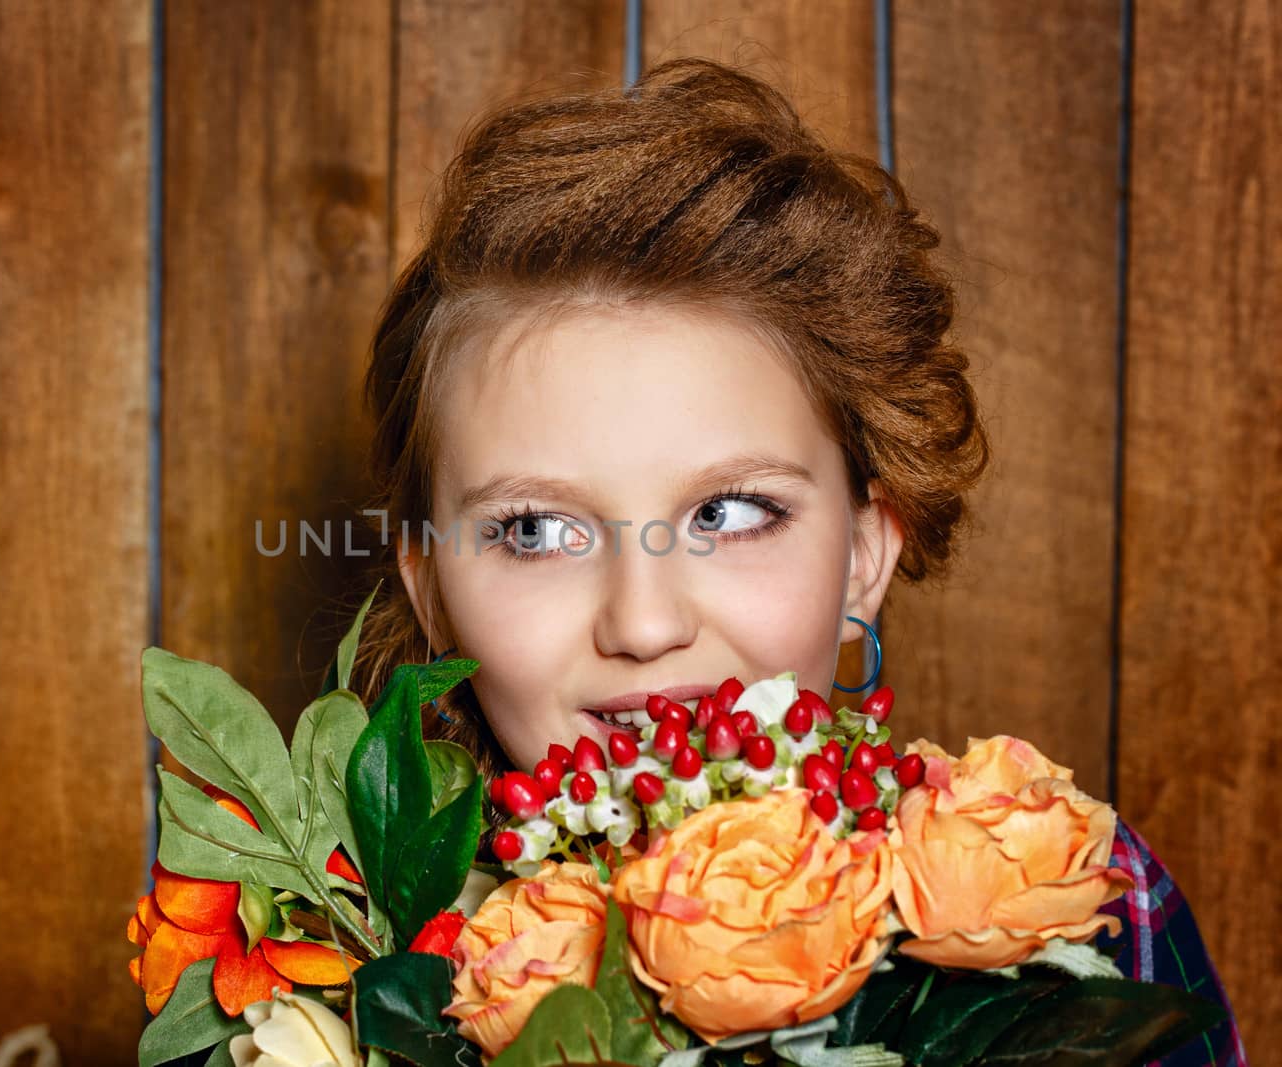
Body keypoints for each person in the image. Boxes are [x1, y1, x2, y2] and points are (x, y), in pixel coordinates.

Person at [347, 58, 1246, 1065]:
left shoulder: (1079, 909)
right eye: (535, 531)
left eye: (731, 511)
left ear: (863, 553)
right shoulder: (324, 974)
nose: (643, 623)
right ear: (430, 593)